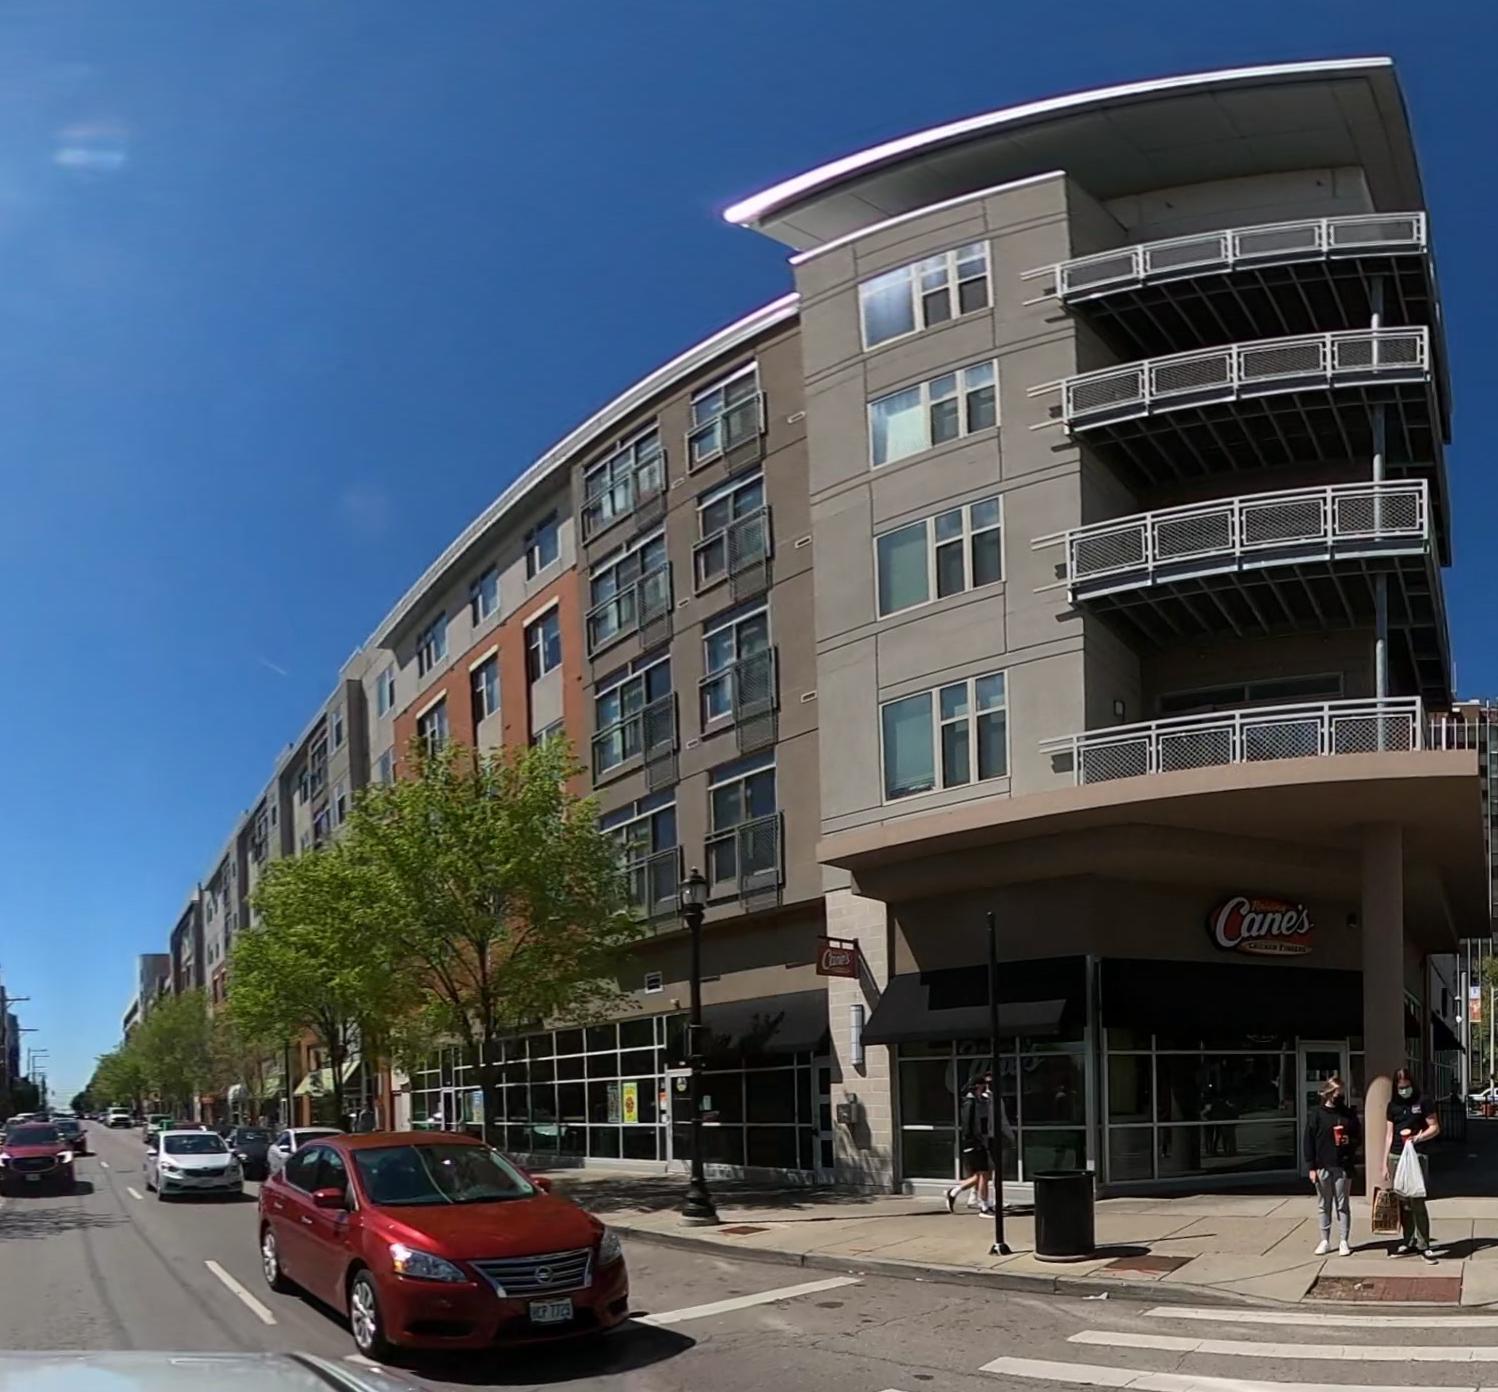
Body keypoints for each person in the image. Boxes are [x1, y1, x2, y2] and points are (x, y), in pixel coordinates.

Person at [1382, 1066, 1441, 1261]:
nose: (1404, 1090)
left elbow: (1434, 1127)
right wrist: (1384, 1162)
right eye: (1400, 1087)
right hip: (1396, 1155)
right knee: (1403, 1202)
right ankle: (1408, 1240)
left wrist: (1418, 1138)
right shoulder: (1393, 1105)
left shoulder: (1423, 1101)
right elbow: (1389, 1134)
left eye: (1406, 1086)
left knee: (1417, 1200)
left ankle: (1424, 1243)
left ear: (1412, 1084)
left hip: (1417, 1155)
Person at [1302, 1075, 1359, 1257]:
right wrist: (1311, 1167)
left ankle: (1344, 1240)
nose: (1339, 1096)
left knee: (1342, 1204)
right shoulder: (1317, 1114)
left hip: (1343, 1165)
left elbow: (1358, 1137)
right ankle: (1325, 1240)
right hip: (1322, 1166)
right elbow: (1308, 1141)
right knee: (1323, 1204)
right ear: (1328, 1093)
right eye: (1336, 1093)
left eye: (1341, 1093)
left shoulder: (1348, 1114)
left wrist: (1349, 1141)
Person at [946, 1074, 996, 1214]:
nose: (987, 1087)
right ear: (978, 1086)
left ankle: (955, 1191)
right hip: (975, 1143)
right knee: (983, 1174)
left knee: (982, 1175)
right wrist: (974, 1141)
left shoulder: (981, 1101)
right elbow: (968, 1126)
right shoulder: (970, 1102)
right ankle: (984, 1206)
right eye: (985, 1085)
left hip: (982, 1141)